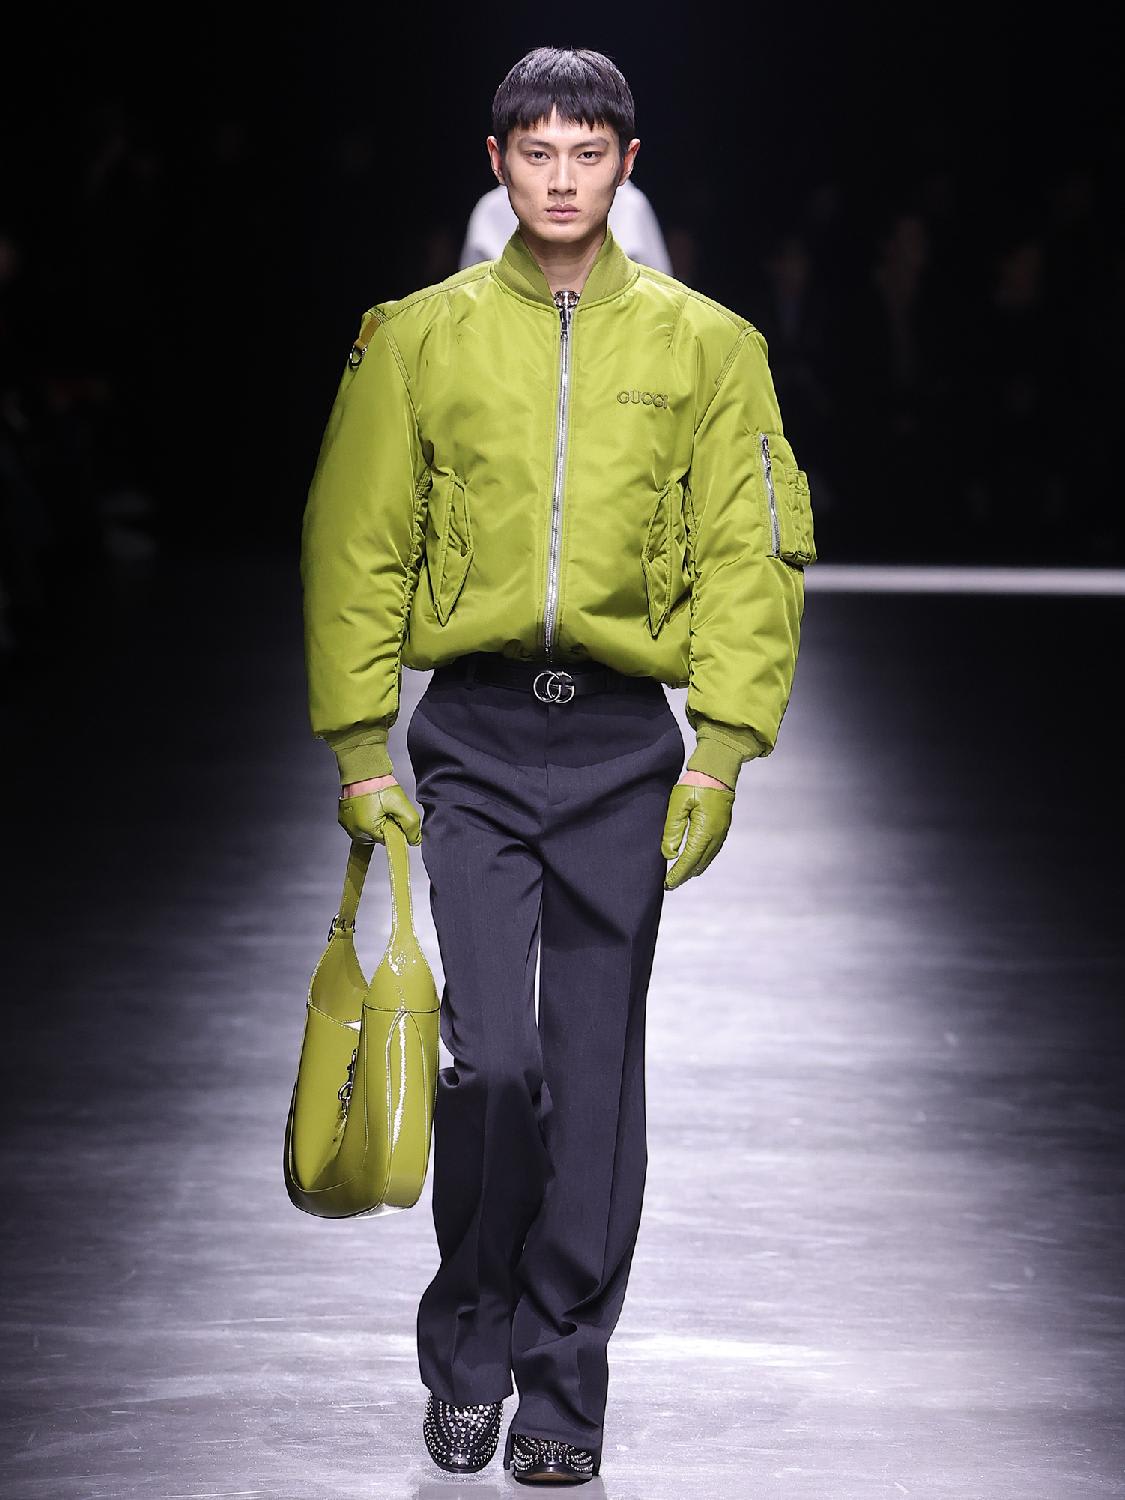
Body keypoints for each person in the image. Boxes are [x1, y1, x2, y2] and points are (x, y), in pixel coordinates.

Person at [299, 44, 816, 1488]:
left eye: (589, 153)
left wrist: (721, 752)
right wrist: (358, 743)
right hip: (469, 737)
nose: (564, 178)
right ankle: (469, 1345)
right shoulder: (419, 338)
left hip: (620, 749)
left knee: (592, 1083)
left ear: (627, 166)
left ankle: (562, 1394)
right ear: (499, 164)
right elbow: (355, 539)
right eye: (538, 152)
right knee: (494, 1065)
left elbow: (752, 552)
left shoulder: (710, 348)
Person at [459, 174, 673, 273]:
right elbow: (469, 306)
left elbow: (661, 302)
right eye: (538, 154)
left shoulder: (630, 206)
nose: (562, 184)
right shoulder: (491, 210)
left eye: (587, 154)